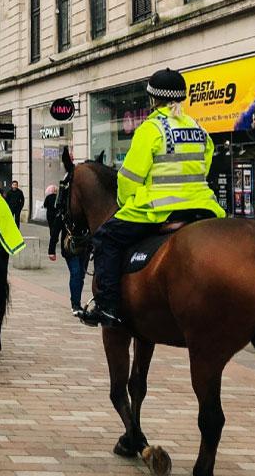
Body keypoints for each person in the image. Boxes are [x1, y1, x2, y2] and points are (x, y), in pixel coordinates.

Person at [78, 68, 225, 327]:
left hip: (159, 209)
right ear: (182, 98)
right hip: (204, 206)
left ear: (153, 99)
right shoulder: (199, 128)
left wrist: (126, 202)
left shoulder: (151, 128)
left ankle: (107, 306)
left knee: (105, 239)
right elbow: (205, 166)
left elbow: (129, 178)